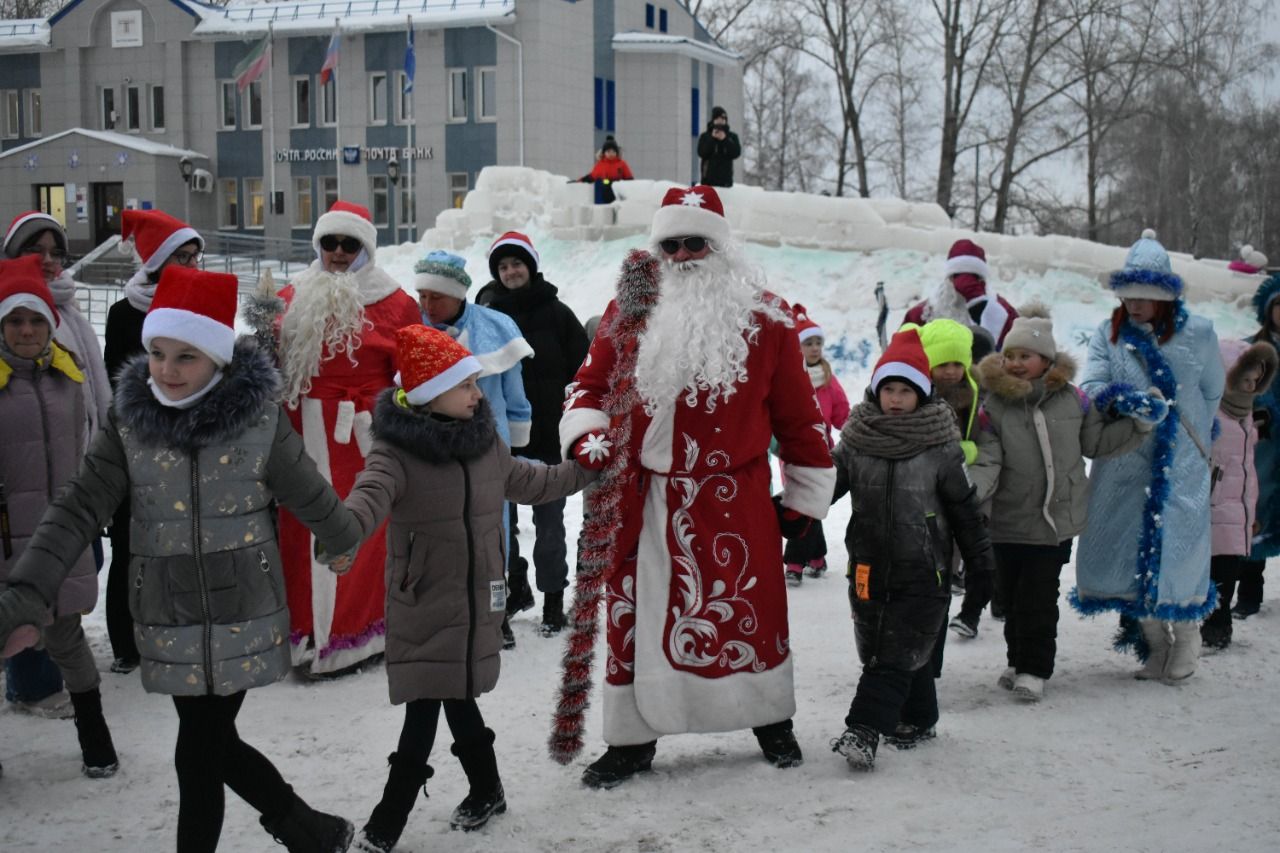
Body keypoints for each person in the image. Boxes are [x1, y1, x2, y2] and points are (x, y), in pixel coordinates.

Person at [0, 265, 362, 852]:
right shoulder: (129, 424)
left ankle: (304, 831)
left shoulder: (258, 421)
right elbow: (77, 508)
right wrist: (28, 589)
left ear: (218, 359)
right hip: (169, 611)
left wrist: (341, 535)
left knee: (198, 753)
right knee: (209, 745)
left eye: (185, 357)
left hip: (243, 605)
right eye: (157, 353)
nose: (166, 371)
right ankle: (308, 829)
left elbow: (309, 491)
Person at [550, 184, 836, 787]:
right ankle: (632, 740)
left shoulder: (768, 320)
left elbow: (799, 418)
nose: (681, 255)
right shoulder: (625, 312)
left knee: (747, 616)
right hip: (641, 501)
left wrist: (806, 503)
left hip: (733, 503)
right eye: (670, 244)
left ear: (721, 248)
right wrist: (588, 436)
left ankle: (768, 718)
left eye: (695, 243)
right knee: (637, 618)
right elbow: (587, 387)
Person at [339, 326, 595, 851]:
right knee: (427, 706)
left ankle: (485, 789)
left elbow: (531, 480)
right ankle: (387, 824)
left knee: (454, 695)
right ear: (432, 391)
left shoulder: (484, 444)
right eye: (468, 385)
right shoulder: (396, 452)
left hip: (480, 596)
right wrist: (342, 532)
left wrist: (585, 471)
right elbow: (368, 497)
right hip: (426, 598)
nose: (479, 395)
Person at [828, 328, 994, 770]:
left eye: (906, 390)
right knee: (887, 649)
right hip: (867, 567)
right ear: (876, 391)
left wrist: (980, 560)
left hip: (926, 571)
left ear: (921, 394)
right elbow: (823, 488)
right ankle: (919, 718)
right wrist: (784, 513)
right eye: (889, 389)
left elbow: (964, 509)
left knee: (892, 654)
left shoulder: (940, 448)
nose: (896, 399)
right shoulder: (856, 442)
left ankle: (863, 730)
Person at [969, 305, 1149, 701]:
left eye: (1025, 356)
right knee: (1011, 599)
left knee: (1037, 597)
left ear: (1046, 360)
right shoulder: (994, 406)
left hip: (1053, 521)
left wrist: (1138, 425)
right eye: (1010, 356)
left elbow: (1096, 443)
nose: (1015, 363)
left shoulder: (1075, 400)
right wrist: (972, 491)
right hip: (1007, 518)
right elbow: (989, 458)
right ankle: (1017, 660)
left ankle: (1034, 669)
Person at [273, 200, 421, 676]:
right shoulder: (290, 295)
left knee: (360, 531)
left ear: (365, 248)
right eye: (329, 242)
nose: (338, 252)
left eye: (348, 243)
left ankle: (353, 638)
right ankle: (304, 637)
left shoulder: (397, 302)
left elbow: (415, 375)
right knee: (299, 535)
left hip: (361, 438)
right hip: (298, 434)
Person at [1071, 229, 1224, 683]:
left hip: (1181, 465)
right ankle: (1155, 645)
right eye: (1129, 296)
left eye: (1145, 297)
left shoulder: (1199, 333)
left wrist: (1186, 429)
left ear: (1166, 298)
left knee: (1179, 552)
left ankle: (1188, 638)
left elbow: (1213, 390)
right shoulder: (1109, 333)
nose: (1135, 305)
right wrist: (1126, 401)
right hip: (1124, 458)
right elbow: (1092, 385)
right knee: (1123, 551)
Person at [0, 254, 118, 776]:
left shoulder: (68, 378)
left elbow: (86, 450)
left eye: (35, 320)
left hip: (60, 536)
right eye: (15, 321)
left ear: (51, 322)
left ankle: (95, 738)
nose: (26, 330)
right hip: (6, 543)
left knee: (69, 639)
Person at [413, 249, 534, 649]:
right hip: (433, 455)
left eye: (437, 297)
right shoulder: (416, 330)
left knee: (492, 535)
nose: (428, 306)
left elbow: (516, 399)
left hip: (487, 452)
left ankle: (495, 616)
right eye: (423, 297)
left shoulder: (494, 327)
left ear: (459, 295)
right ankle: (448, 612)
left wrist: (514, 449)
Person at [102, 208, 205, 675]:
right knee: (131, 542)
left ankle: (176, 626)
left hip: (190, 441)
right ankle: (126, 640)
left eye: (194, 256)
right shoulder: (126, 313)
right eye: (179, 256)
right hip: (140, 440)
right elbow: (115, 380)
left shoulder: (201, 306)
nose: (189, 265)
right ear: (157, 261)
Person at [476, 232, 590, 638]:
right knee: (498, 529)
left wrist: (573, 420)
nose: (510, 272)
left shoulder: (559, 314)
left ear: (532, 266)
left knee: (550, 528)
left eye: (517, 264)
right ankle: (511, 589)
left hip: (547, 441)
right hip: (497, 442)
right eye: (503, 267)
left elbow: (584, 372)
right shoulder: (483, 318)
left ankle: (554, 599)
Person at [1202, 338, 1276, 649]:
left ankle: (1219, 627)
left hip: (1237, 509)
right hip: (1211, 508)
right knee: (1209, 573)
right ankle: (1203, 624)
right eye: (1244, 379)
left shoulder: (1247, 415)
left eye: (1256, 381)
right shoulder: (1211, 416)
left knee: (1227, 573)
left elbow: (1249, 470)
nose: (1250, 386)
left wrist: (1251, 512)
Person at [783, 305, 849, 584]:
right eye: (808, 343)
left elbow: (842, 413)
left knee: (809, 503)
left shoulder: (828, 380)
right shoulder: (788, 379)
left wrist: (856, 432)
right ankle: (816, 556)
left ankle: (796, 562)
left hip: (822, 453)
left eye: (818, 342)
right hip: (792, 452)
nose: (814, 348)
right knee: (802, 503)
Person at [1235, 273, 1280, 618]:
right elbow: (1238, 391)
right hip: (1264, 447)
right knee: (1256, 514)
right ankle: (1249, 596)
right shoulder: (1253, 349)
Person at [903, 239, 1019, 350]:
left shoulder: (1005, 314)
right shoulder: (922, 315)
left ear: (982, 280)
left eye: (973, 277)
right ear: (948, 279)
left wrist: (981, 308)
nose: (964, 285)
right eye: (958, 276)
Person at [575, 136, 634, 204]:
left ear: (616, 153)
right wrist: (579, 180)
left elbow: (629, 178)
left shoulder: (622, 164)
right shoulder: (601, 165)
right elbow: (591, 176)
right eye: (608, 152)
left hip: (619, 192)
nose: (611, 154)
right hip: (607, 191)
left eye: (613, 151)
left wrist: (629, 189)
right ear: (604, 153)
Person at [697, 105, 741, 188]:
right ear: (713, 120)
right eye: (718, 119)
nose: (721, 122)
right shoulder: (705, 136)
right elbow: (701, 152)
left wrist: (725, 140)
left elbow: (736, 153)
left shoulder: (732, 136)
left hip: (725, 182)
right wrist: (712, 139)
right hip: (708, 182)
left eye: (723, 119)